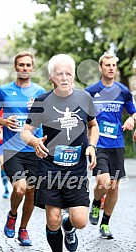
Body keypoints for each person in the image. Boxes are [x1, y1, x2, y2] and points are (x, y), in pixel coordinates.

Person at [20, 53, 99, 252]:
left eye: (68, 73)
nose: (64, 77)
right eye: (59, 74)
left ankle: (69, 227)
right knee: (53, 219)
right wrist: (34, 141)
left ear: (73, 76)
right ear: (51, 78)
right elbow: (25, 132)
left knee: (80, 221)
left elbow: (93, 125)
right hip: (49, 167)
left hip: (76, 168)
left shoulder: (84, 97)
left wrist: (91, 145)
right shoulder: (42, 101)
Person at [0, 51, 45, 246]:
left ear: (32, 67)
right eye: (21, 65)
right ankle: (12, 215)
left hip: (34, 149)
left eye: (28, 65)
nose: (25, 68)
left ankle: (23, 229)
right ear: (15, 67)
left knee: (31, 192)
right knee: (19, 188)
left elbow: (49, 118)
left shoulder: (39, 92)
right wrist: (3, 121)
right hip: (12, 149)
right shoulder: (3, 90)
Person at [85, 53, 136, 239]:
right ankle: (97, 201)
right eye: (107, 65)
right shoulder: (90, 92)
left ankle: (105, 224)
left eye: (114, 65)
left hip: (117, 143)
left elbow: (134, 112)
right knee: (104, 182)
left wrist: (131, 119)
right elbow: (82, 118)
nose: (111, 68)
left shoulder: (123, 91)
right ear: (100, 68)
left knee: (114, 186)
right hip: (98, 144)